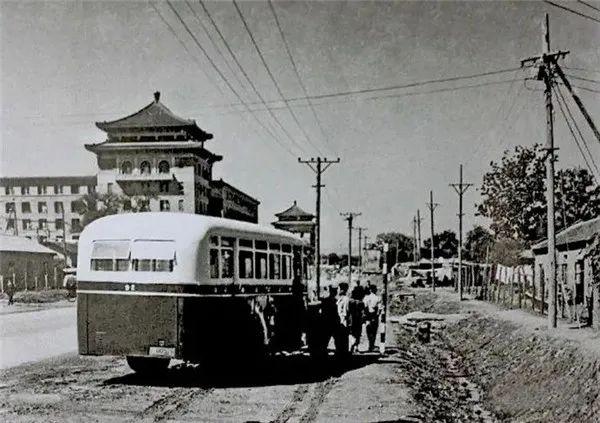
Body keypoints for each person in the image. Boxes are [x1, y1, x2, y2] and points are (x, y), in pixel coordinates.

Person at [363, 285, 382, 352]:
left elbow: (365, 307)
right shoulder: (378, 298)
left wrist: (365, 315)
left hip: (368, 316)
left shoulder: (366, 298)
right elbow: (379, 309)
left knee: (368, 330)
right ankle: (371, 345)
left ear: (370, 290)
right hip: (374, 316)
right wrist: (377, 315)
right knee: (374, 331)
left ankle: (370, 344)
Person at [349, 280, 365, 352]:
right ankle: (355, 346)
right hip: (358, 319)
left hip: (352, 319)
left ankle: (353, 345)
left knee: (352, 333)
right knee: (358, 333)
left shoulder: (350, 302)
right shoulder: (361, 303)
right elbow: (363, 312)